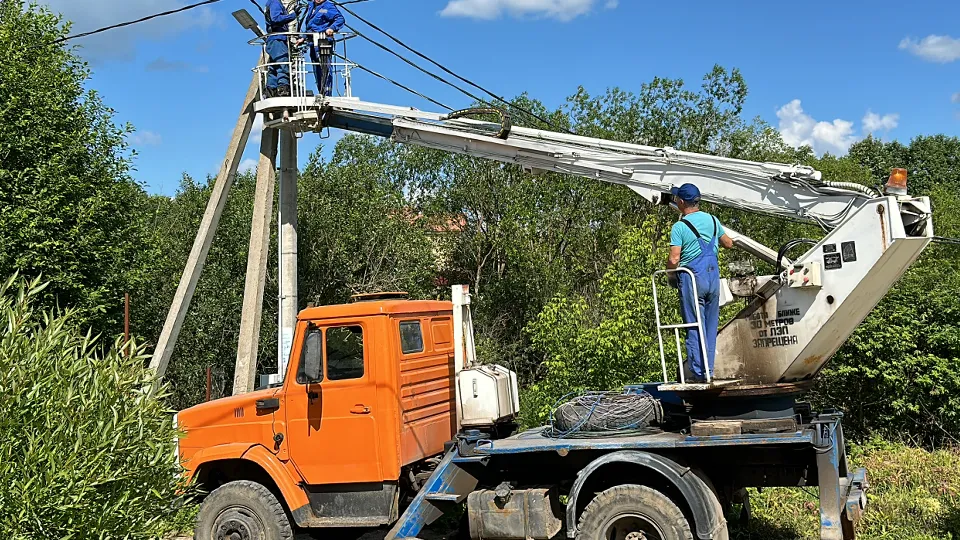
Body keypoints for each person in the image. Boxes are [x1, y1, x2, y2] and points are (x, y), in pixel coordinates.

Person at [666, 183, 734, 382]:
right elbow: (728, 243)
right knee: (710, 326)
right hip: (713, 279)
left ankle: (698, 373)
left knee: (694, 325)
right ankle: (709, 371)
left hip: (692, 278)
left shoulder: (679, 227)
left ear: (680, 202)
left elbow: (674, 259)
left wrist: (670, 274)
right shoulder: (713, 220)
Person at [303, 0, 345, 96]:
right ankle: (321, 91)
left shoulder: (328, 6)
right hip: (313, 42)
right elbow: (310, 26)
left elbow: (340, 19)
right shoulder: (311, 6)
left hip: (323, 41)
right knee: (317, 69)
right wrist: (303, 38)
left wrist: (332, 28)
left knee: (325, 68)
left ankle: (327, 93)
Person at [264, 0, 300, 97]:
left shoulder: (272, 2)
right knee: (283, 65)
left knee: (274, 67)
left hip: (274, 39)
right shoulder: (275, 2)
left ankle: (271, 91)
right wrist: (293, 15)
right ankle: (283, 90)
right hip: (278, 39)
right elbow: (276, 18)